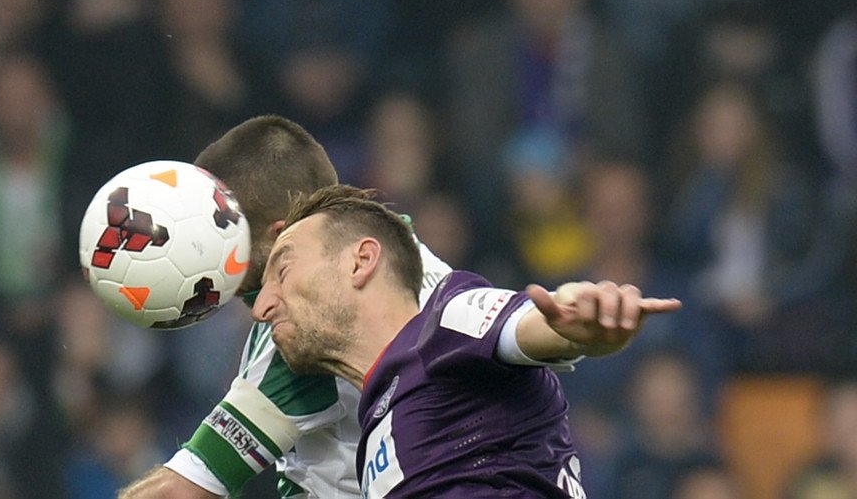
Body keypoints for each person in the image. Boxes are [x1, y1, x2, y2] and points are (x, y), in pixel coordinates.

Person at [251, 184, 682, 497]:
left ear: (361, 261)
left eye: (283, 272)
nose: (262, 307)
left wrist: (580, 322)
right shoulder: (376, 425)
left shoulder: (447, 323)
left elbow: (529, 324)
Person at [116, 115, 452, 498]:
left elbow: (180, 492)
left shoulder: (305, 327)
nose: (210, 260)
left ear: (279, 236)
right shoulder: (408, 254)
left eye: (219, 238)